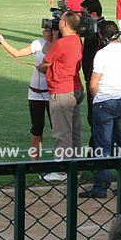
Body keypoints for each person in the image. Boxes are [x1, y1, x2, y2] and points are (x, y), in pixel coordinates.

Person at [79, 21, 121, 199]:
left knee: (103, 147)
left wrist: (96, 98)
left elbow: (93, 83)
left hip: (104, 102)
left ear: (102, 36)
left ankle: (101, 187)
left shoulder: (102, 54)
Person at [0, 26, 54, 160]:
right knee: (36, 130)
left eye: (46, 30)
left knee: (57, 130)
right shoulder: (38, 43)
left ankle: (62, 164)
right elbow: (17, 53)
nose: (43, 32)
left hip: (52, 94)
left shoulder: (59, 46)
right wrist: (1, 40)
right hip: (34, 94)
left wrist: (46, 69)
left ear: (54, 32)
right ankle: (35, 163)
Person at [38, 11, 84, 176]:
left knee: (62, 133)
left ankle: (62, 170)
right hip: (76, 88)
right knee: (75, 132)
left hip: (62, 91)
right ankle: (75, 168)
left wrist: (54, 38)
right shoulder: (78, 40)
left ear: (64, 24)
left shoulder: (61, 43)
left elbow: (46, 62)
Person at [79, 0, 107, 147]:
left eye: (84, 14)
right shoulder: (92, 28)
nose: (81, 18)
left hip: (96, 83)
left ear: (94, 15)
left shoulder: (100, 31)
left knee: (95, 118)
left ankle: (96, 151)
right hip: (92, 79)